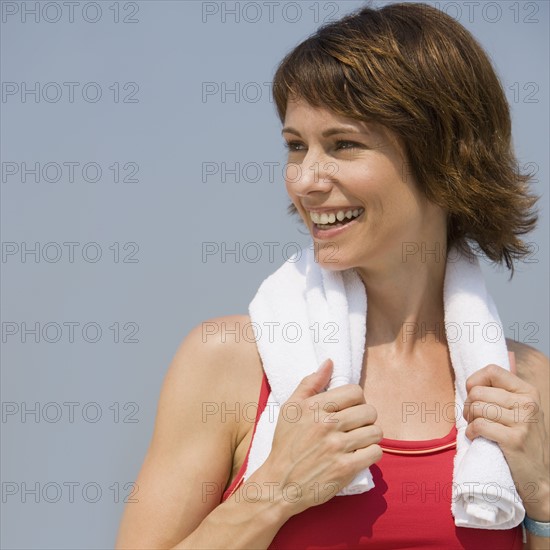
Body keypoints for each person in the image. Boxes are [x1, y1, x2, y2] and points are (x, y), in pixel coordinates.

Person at [115, 2, 549, 548]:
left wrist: (544, 500)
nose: (306, 181)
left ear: (442, 156)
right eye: (296, 146)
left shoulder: (526, 386)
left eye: (343, 145)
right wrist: (274, 489)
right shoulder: (225, 363)